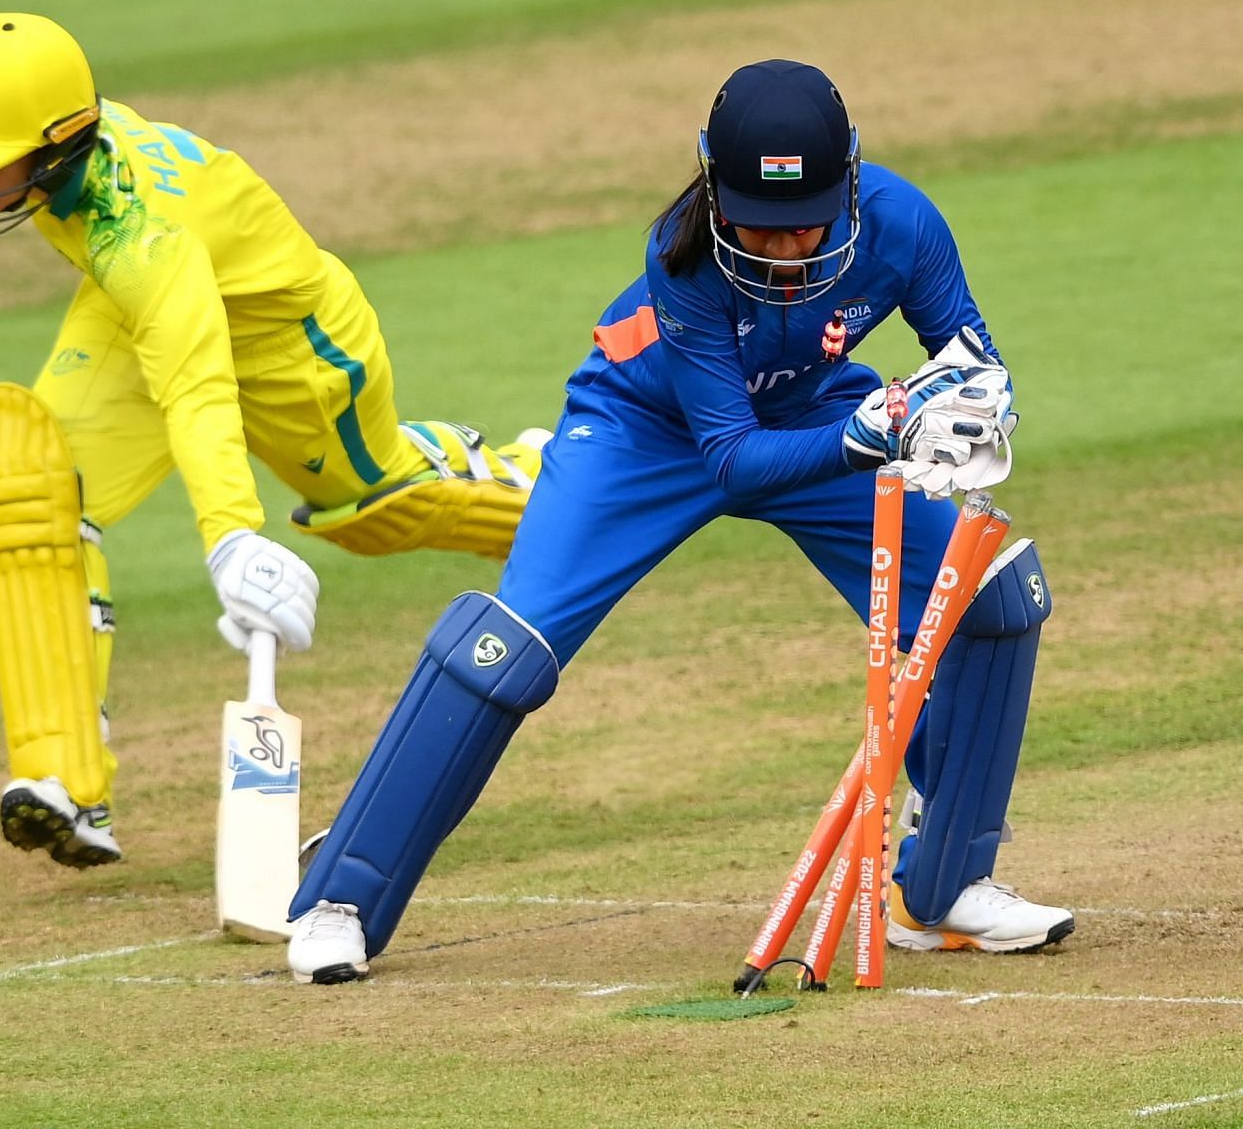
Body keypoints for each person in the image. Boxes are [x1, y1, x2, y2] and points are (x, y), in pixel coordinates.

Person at [285, 59, 1072, 984]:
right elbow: (731, 456)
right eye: (758, 227)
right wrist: (871, 434)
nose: (782, 250)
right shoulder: (682, 252)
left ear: (850, 177)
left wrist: (979, 404)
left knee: (993, 598)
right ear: (710, 183)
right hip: (644, 430)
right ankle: (342, 897)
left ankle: (940, 891)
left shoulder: (904, 222)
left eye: (804, 226)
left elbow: (971, 353)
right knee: (509, 647)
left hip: (818, 414)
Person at [0, 12, 545, 869]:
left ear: (56, 149)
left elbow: (197, 388)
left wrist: (231, 536)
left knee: (370, 512)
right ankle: (64, 777)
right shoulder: (33, 156)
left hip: (293, 349)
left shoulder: (144, 234)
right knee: (38, 483)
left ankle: (554, 481)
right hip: (140, 314)